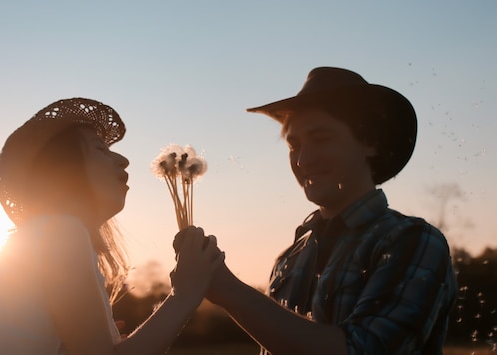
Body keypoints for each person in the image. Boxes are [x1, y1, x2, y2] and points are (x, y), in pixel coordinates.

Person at [192, 67, 458, 354]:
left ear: (369, 142)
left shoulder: (411, 241)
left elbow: (360, 350)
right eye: (294, 145)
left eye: (321, 139)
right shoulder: (290, 258)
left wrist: (229, 290)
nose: (303, 159)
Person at [0, 97, 223, 355]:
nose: (123, 160)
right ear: (65, 171)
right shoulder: (63, 233)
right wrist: (184, 294)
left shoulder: (46, 236)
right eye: (100, 150)